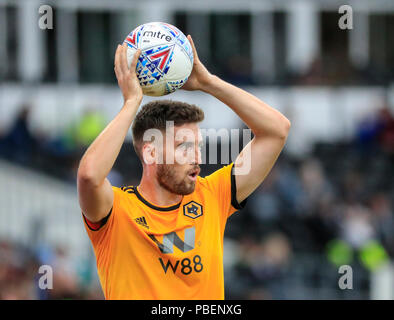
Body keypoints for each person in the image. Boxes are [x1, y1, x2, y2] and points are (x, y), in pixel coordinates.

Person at [77, 35, 291, 300]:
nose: (197, 157)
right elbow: (89, 176)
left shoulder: (212, 195)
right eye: (184, 146)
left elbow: (277, 131)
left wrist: (208, 83)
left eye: (198, 146)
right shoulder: (116, 211)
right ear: (151, 151)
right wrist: (132, 102)